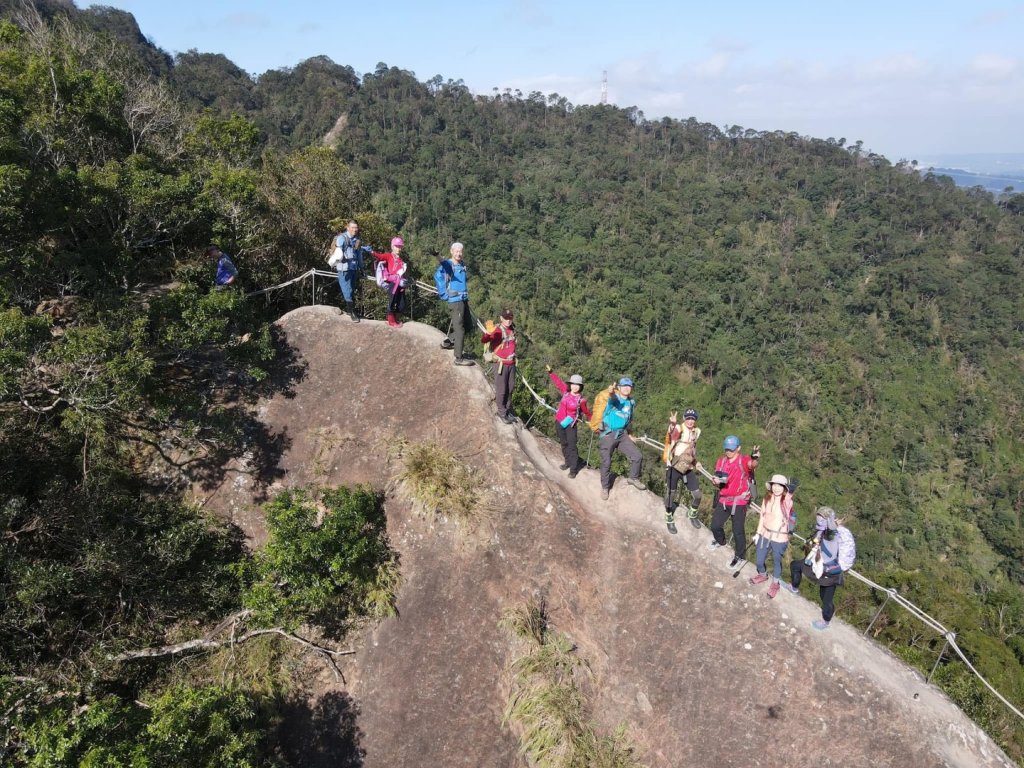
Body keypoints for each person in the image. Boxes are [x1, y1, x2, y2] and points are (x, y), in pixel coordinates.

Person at [784, 507, 856, 630]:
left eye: (823, 518)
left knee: (826, 598)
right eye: (819, 517)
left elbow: (831, 532)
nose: (819, 520)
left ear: (828, 520)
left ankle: (826, 621)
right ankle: (794, 587)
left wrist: (832, 525)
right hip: (816, 563)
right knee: (796, 565)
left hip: (829, 570)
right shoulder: (822, 530)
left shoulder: (832, 532)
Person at [708, 435, 760, 568]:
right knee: (715, 526)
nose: (728, 452)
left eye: (731, 449)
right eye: (727, 449)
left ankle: (740, 556)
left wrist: (754, 457)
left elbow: (752, 465)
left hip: (739, 502)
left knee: (737, 530)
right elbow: (720, 483)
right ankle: (721, 542)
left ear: (738, 448)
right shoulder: (722, 461)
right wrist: (716, 482)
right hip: (724, 499)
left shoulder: (743, 460)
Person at [598, 377, 645, 501]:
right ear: (619, 387)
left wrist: (630, 435)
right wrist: (611, 392)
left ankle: (633, 478)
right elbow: (612, 399)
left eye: (629, 386)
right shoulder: (615, 399)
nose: (626, 388)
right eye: (624, 386)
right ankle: (605, 487)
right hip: (608, 433)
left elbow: (629, 421)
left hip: (622, 434)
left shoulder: (631, 403)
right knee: (607, 462)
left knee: (637, 456)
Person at [749, 474, 793, 598]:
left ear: (784, 488)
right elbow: (762, 517)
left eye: (780, 486)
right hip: (765, 534)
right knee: (759, 560)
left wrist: (791, 491)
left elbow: (789, 500)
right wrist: (758, 533)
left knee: (776, 561)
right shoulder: (767, 499)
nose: (777, 488)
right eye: (775, 485)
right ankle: (763, 575)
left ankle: (775, 583)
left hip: (779, 538)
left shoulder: (786, 501)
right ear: (771, 485)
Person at [546, 366, 591, 478]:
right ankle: (567, 462)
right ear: (570, 385)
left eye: (577, 385)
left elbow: (587, 413)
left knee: (572, 446)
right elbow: (558, 382)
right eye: (573, 384)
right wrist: (551, 372)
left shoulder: (581, 400)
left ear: (580, 387)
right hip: (559, 421)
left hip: (571, 424)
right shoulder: (565, 392)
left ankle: (573, 469)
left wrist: (595, 423)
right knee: (564, 443)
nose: (575, 386)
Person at [662, 408, 703, 527]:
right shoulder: (680, 428)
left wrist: (695, 462)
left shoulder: (696, 432)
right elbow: (672, 436)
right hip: (674, 466)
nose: (690, 421)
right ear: (684, 418)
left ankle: (692, 513)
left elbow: (691, 450)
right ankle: (668, 515)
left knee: (697, 495)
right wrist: (672, 424)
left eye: (693, 419)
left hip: (687, 467)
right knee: (671, 493)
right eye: (688, 418)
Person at [435, 242, 473, 366]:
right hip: (456, 301)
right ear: (451, 251)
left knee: (468, 326)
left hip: (463, 300)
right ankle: (458, 358)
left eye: (460, 251)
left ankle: (448, 341)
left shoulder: (461, 264)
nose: (459, 253)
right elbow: (444, 263)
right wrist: (437, 256)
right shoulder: (450, 265)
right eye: (456, 251)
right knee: (460, 329)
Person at [481, 310, 517, 422]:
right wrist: (488, 333)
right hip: (501, 364)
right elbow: (484, 340)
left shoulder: (511, 329)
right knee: (502, 389)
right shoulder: (498, 330)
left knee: (510, 388)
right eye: (506, 318)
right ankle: (501, 412)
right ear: (501, 318)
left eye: (510, 318)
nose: (508, 320)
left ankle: (507, 410)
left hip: (511, 363)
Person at [329, 220, 369, 322]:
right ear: (348, 227)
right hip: (344, 269)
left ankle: (350, 309)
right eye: (353, 227)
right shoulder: (342, 238)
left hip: (353, 268)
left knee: (351, 289)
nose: (355, 230)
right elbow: (338, 252)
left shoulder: (357, 239)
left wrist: (362, 268)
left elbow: (359, 255)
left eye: (356, 228)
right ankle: (352, 312)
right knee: (347, 290)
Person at [371, 237, 409, 327]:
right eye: (397, 246)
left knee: (402, 305)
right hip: (392, 283)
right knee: (392, 302)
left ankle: (393, 318)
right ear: (392, 246)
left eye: (400, 247)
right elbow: (380, 256)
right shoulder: (389, 256)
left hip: (400, 285)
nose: (399, 249)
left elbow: (402, 273)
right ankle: (391, 321)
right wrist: (372, 252)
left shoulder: (400, 260)